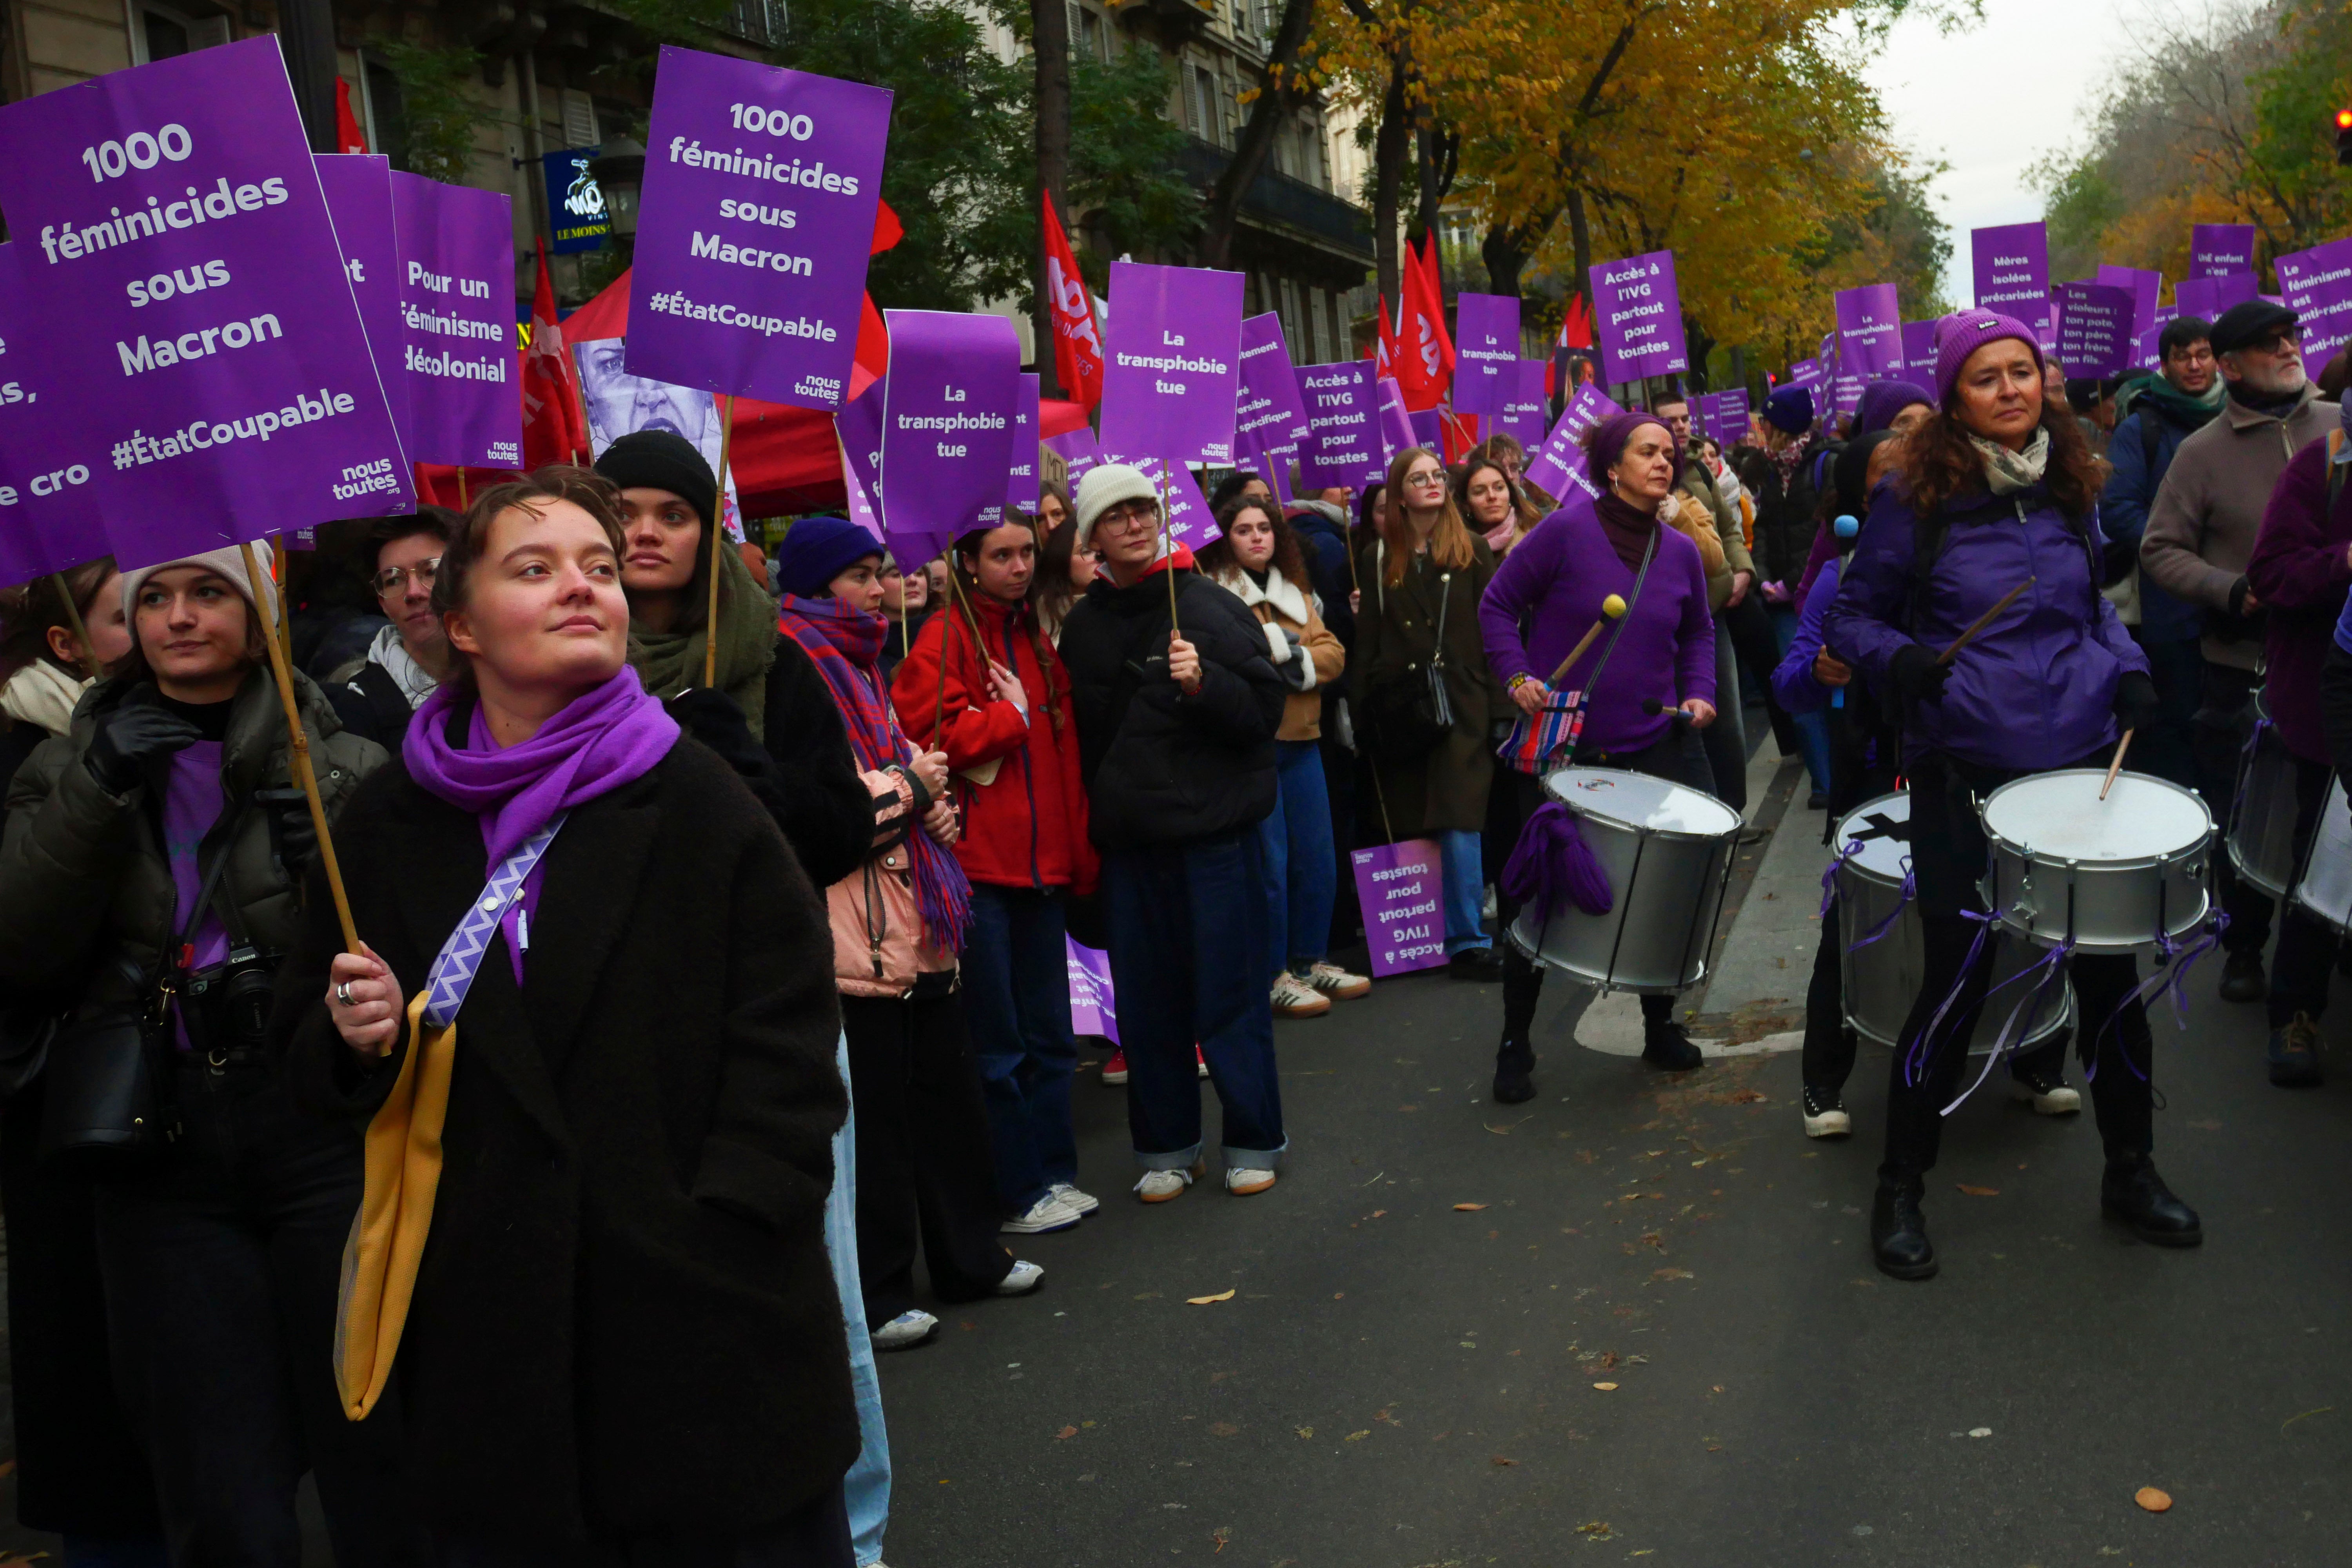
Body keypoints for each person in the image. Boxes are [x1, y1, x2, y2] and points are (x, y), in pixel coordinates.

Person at [279, 470, 857, 1563]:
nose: (581, 588)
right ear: (460, 624)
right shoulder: (385, 822)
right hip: (490, 1347)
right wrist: (353, 1045)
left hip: (704, 1335)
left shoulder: (696, 794)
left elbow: (786, 1039)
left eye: (599, 568)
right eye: (534, 569)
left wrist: (724, 1226)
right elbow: (309, 1061)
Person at [0, 543, 409, 1564]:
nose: (180, 617)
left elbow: (415, 965)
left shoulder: (345, 761)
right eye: (158, 599)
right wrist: (97, 788)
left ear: (262, 611)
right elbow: (21, 947)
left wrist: (337, 868)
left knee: (377, 1455)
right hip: (162, 1143)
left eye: (210, 592)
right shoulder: (67, 763)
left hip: (320, 1128)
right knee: (218, 1482)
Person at [1827, 310, 2200, 1281]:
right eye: (1986, 377)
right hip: (1969, 771)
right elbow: (1853, 614)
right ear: (1953, 398)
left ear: (2045, 382)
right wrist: (1899, 658)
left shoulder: (2071, 487)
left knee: (2109, 979)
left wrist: (2125, 667)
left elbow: (2086, 614)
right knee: (1957, 978)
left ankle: (2131, 1169)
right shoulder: (1920, 497)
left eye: (2022, 371)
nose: (2009, 389)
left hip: (2078, 765)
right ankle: (1901, 1184)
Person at [773, 515, 1040, 1346]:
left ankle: (970, 1256)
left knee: (948, 1103)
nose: (883, 589)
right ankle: (883, 1290)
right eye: (863, 576)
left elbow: (899, 777)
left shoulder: (861, 662)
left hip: (915, 917)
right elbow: (819, 814)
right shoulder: (796, 668)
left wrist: (933, 809)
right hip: (856, 932)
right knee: (878, 1123)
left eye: (882, 572)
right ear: (819, 587)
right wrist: (911, 788)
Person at [1057, 464, 1290, 1201]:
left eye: (1141, 509)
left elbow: (1264, 715)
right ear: (1092, 538)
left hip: (1212, 842)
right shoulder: (1083, 627)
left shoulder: (1210, 606)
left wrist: (1206, 686)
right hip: (1130, 847)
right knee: (1148, 1005)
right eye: (1114, 515)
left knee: (1228, 997)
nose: (1132, 523)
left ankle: (1253, 1139)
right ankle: (1167, 1148)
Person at [1479, 412, 1720, 1099]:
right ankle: (1514, 1040)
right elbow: (1499, 605)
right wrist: (1517, 676)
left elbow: (1699, 632)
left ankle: (1660, 1026)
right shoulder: (1563, 531)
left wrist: (1699, 693)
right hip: (1567, 749)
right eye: (1647, 452)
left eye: (1669, 453)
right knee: (1533, 888)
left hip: (1655, 741)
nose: (1663, 462)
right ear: (1612, 467)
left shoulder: (1677, 551)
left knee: (1667, 887)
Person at [0, 562, 163, 1565]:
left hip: (183, 1115)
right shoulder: (33, 747)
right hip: (72, 1112)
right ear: (72, 643)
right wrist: (97, 784)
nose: (168, 624)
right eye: (136, 609)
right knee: (98, 1394)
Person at [890, 514, 1100, 1236]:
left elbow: (1064, 757)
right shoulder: (944, 638)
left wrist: (1076, 855)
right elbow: (928, 742)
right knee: (1001, 1045)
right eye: (1001, 555)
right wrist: (1008, 718)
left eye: (1024, 554)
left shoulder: (1033, 639)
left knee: (1048, 1039)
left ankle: (1053, 1174)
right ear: (970, 564)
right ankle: (1018, 1190)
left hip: (1041, 869)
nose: (1017, 566)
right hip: (982, 871)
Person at [2141, 299, 2339, 1006]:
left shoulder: (2339, 428)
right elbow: (2159, 548)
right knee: (2245, 816)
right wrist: (2230, 590)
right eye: (2268, 345)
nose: (2288, 351)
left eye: (2291, 339)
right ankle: (2244, 945)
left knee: (2323, 825)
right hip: (2242, 669)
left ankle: (2320, 949)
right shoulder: (2203, 453)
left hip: (2331, 667)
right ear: (2228, 367)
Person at [602, 432, 873, 891]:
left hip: (753, 941)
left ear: (706, 535)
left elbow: (845, 834)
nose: (647, 532)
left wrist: (759, 777)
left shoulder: (772, 659)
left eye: (673, 516)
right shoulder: (563, 660)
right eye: (622, 514)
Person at [1198, 496, 1363, 1019]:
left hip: (1305, 740)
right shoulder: (1215, 593)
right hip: (1254, 747)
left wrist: (1289, 658)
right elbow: (1235, 662)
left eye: (1265, 529)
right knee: (1271, 866)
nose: (1257, 538)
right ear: (1227, 538)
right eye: (1244, 530)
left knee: (1318, 858)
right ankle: (1273, 974)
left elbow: (1334, 653)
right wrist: (1289, 659)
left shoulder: (1296, 588)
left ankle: (1309, 959)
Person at [1352, 446, 1506, 979]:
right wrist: (1358, 713)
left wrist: (1501, 707)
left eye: (1438, 475)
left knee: (1460, 819)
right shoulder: (1380, 557)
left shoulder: (1474, 550)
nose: (1433, 483)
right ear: (1399, 495)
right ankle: (1419, 939)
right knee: (1417, 817)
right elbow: (1367, 643)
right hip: (1406, 709)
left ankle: (1468, 941)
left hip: (1464, 702)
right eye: (1419, 478)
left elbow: (1496, 636)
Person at [2242, 395, 2352, 1084]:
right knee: (2325, 860)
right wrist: (2346, 561)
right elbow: (2272, 575)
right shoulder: (2324, 467)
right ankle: (2296, 1013)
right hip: (2328, 701)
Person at [2102, 316, 2222, 790]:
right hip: (2170, 610)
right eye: (2182, 356)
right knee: (2174, 728)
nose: (2194, 365)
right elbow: (2118, 511)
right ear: (2165, 366)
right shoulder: (2141, 429)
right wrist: (2180, 553)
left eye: (2203, 353)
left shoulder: (2243, 417)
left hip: (2237, 613)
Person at [1656, 392, 1763, 813]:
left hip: (1711, 613)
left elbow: (1730, 530)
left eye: (1684, 419)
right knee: (1682, 727)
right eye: (1670, 421)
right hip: (1664, 619)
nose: (1681, 427)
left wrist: (1742, 571)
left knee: (1725, 723)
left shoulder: (1701, 469)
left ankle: (1734, 815)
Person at [328, 508, 460, 751]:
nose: (413, 592)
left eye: (431, 571)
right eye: (393, 580)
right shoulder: (358, 707)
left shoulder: (518, 676)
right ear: (383, 603)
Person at [1456, 453, 1545, 557]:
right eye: (1480, 491)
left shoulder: (1536, 538)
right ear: (1466, 505)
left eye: (1499, 488)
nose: (1492, 496)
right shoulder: (1457, 551)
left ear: (1510, 494)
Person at [1032, 512, 1095, 644]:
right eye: (1086, 552)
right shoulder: (1038, 610)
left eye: (1102, 549)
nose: (1099, 558)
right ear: (1062, 560)